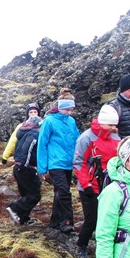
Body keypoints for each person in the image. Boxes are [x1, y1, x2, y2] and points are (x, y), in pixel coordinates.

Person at [72, 104, 121, 258]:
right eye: (110, 125)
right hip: (90, 186)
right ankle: (81, 246)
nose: (114, 128)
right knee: (92, 219)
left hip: (110, 185)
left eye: (115, 124)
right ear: (101, 122)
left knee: (111, 218)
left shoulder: (115, 137)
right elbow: (79, 163)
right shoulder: (86, 138)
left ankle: (108, 249)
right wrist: (86, 185)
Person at [36, 88, 80, 233]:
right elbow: (42, 144)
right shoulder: (49, 121)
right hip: (55, 163)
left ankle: (54, 222)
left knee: (59, 192)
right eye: (67, 109)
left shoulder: (71, 121)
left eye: (71, 109)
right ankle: (67, 221)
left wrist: (79, 161)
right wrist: (42, 168)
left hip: (68, 164)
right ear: (60, 107)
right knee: (64, 192)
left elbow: (77, 140)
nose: (69, 112)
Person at [6, 115, 43, 225]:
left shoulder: (23, 133)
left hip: (18, 167)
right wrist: (25, 165)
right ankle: (14, 208)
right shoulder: (34, 134)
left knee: (26, 194)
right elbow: (27, 149)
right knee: (34, 195)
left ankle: (22, 219)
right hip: (26, 168)